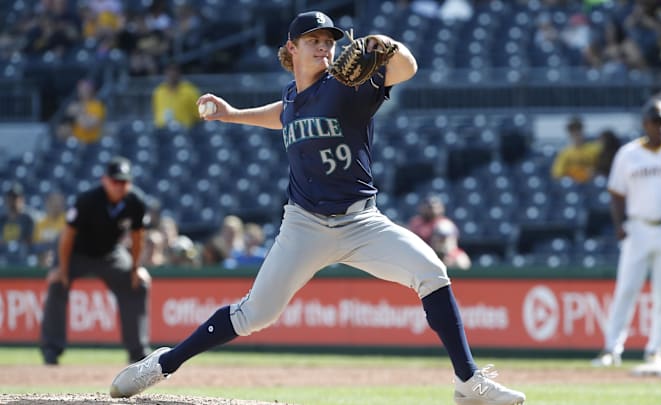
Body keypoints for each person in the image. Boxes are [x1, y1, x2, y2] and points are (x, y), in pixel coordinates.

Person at [109, 11, 525, 405]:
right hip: (304, 226)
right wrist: (233, 115)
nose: (325, 47)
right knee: (255, 314)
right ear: (291, 48)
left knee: (432, 273)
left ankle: (468, 382)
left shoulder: (347, 86)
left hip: (362, 222)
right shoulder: (293, 96)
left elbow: (408, 68)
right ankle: (164, 363)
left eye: (329, 41)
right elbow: (284, 115)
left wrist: (389, 45)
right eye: (315, 40)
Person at [591, 100, 661, 367]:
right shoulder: (628, 154)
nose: (660, 126)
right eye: (655, 121)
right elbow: (616, 193)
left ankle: (656, 350)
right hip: (638, 227)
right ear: (645, 124)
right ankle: (611, 348)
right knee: (627, 289)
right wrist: (620, 224)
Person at [40, 156, 153, 365]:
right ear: (105, 180)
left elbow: (138, 237)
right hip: (75, 252)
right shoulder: (88, 199)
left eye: (124, 182)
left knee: (138, 284)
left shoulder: (136, 201)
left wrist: (136, 268)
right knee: (57, 283)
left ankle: (138, 351)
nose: (120, 186)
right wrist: (62, 269)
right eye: (115, 181)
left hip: (110, 253)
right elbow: (66, 237)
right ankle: (51, 349)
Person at [551, 115, 602, 183]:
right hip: (573, 185)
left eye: (578, 128)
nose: (575, 132)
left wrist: (592, 172)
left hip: (590, 184)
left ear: (582, 129)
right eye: (572, 130)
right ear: (569, 132)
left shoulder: (595, 149)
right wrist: (574, 173)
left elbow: (602, 170)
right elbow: (557, 174)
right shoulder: (565, 153)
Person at [152, 62, 201, 129]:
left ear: (179, 73)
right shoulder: (159, 91)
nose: (172, 74)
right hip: (161, 131)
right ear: (165, 72)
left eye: (174, 70)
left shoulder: (190, 91)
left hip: (184, 131)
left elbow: (199, 115)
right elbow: (156, 112)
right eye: (169, 70)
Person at [56, 78, 106, 143]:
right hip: (75, 143)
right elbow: (61, 131)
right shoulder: (74, 105)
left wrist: (79, 111)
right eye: (80, 88)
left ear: (91, 90)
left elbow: (87, 126)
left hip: (91, 144)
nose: (81, 91)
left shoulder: (97, 106)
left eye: (84, 89)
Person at [0, 182, 36, 256]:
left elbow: (30, 241)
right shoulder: (2, 220)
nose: (13, 201)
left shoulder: (27, 219)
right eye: (10, 198)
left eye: (15, 198)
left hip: (22, 256)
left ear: (22, 199)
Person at [33, 191, 67, 267]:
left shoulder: (68, 222)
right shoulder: (40, 223)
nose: (56, 204)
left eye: (59, 202)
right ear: (47, 203)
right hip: (44, 258)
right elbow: (37, 244)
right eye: (53, 201)